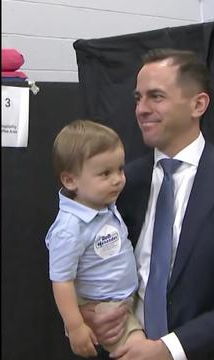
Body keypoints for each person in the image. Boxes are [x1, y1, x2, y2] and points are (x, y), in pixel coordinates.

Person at [80, 49, 214, 360]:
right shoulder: (123, 182)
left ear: (198, 104)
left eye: (156, 97)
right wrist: (90, 314)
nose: (141, 109)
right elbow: (92, 262)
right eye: (138, 98)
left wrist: (169, 350)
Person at [46, 120, 145, 358]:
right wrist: (76, 326)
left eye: (120, 169)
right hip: (106, 309)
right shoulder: (70, 227)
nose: (117, 179)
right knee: (141, 352)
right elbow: (61, 281)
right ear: (71, 180)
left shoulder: (103, 203)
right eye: (105, 173)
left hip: (129, 300)